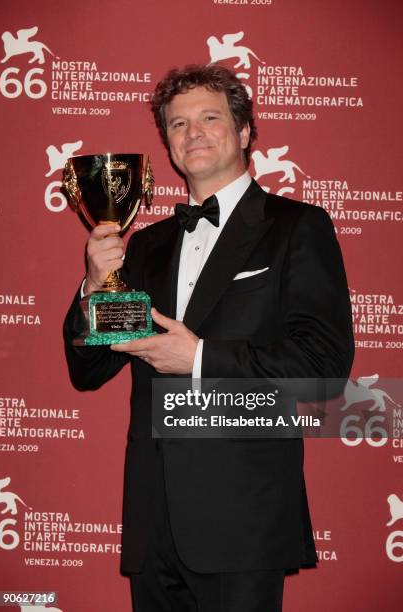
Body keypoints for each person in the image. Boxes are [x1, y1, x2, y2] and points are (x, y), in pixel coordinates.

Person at [64, 64, 354, 611]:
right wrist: (93, 284)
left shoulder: (297, 227)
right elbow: (88, 370)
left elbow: (322, 368)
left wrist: (196, 357)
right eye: (177, 124)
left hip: (242, 522)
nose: (192, 132)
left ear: (244, 133)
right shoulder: (146, 246)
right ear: (168, 146)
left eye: (209, 118)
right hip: (153, 523)